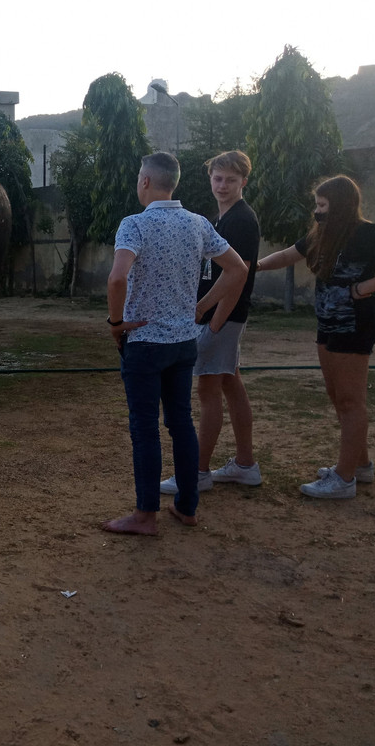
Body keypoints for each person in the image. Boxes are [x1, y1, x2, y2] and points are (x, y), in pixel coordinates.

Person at [103, 152, 247, 536]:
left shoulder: (134, 225)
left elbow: (117, 280)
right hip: (185, 342)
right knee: (181, 422)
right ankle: (187, 507)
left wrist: (116, 324)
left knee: (145, 428)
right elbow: (239, 269)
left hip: (145, 343)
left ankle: (145, 515)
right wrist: (198, 308)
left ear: (145, 181)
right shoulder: (198, 224)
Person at [257, 175, 375, 498]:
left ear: (340, 206)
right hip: (327, 323)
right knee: (336, 394)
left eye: (323, 205)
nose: (317, 211)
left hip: (355, 323)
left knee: (351, 400)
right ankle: (360, 466)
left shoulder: (367, 234)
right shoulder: (322, 234)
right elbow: (287, 255)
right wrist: (252, 267)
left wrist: (362, 288)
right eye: (317, 205)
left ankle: (344, 479)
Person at [160, 151, 262, 497]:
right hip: (220, 315)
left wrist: (212, 319)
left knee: (207, 392)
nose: (222, 186)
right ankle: (245, 465)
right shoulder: (225, 218)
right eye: (217, 178)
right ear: (210, 179)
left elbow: (238, 275)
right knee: (231, 385)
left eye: (231, 180)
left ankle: (197, 472)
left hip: (222, 316)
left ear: (243, 182)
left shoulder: (241, 220)